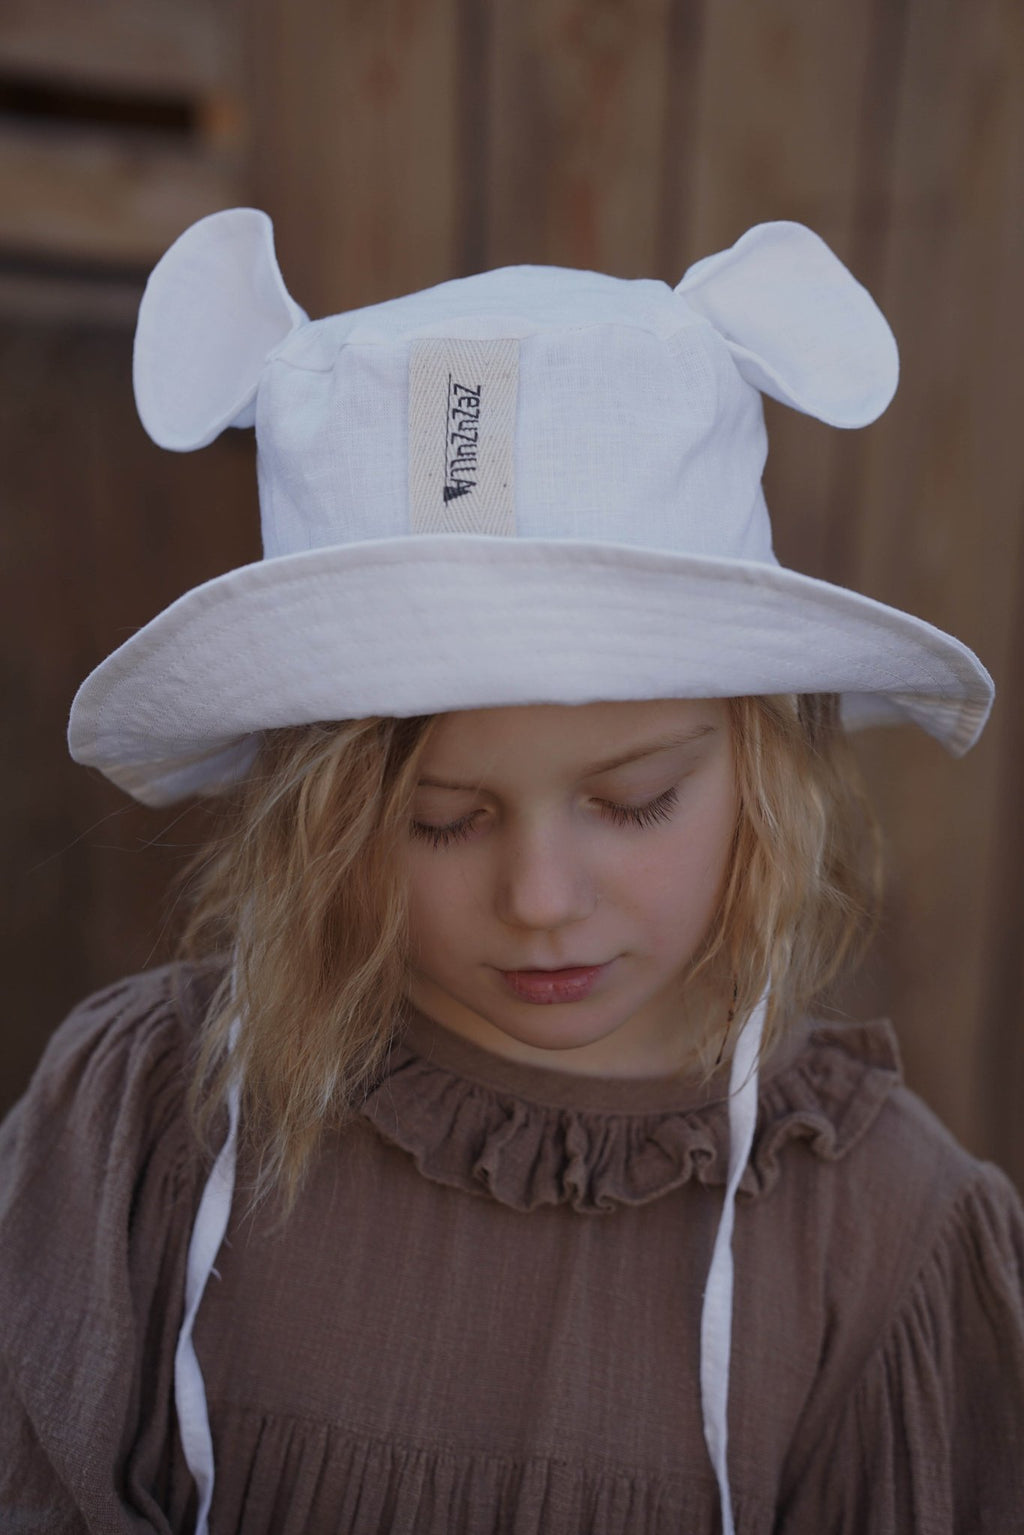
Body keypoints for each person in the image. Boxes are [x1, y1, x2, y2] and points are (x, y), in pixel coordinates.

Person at [1, 209, 1021, 1535]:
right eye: (440, 819)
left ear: (766, 761)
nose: (541, 897)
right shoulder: (147, 1127)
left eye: (638, 800)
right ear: (319, 819)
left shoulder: (881, 1241)